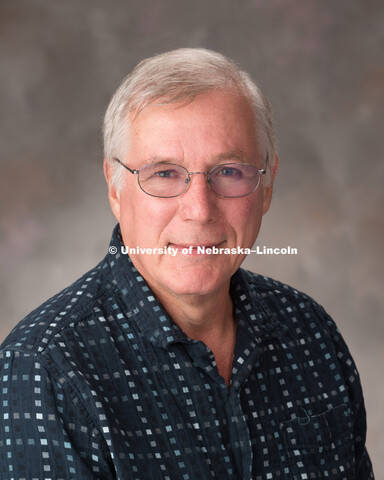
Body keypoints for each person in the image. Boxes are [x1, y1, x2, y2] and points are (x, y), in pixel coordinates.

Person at [0, 48, 374, 480]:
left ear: (267, 187)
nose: (199, 210)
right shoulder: (43, 369)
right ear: (116, 189)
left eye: (229, 171)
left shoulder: (310, 334)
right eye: (164, 173)